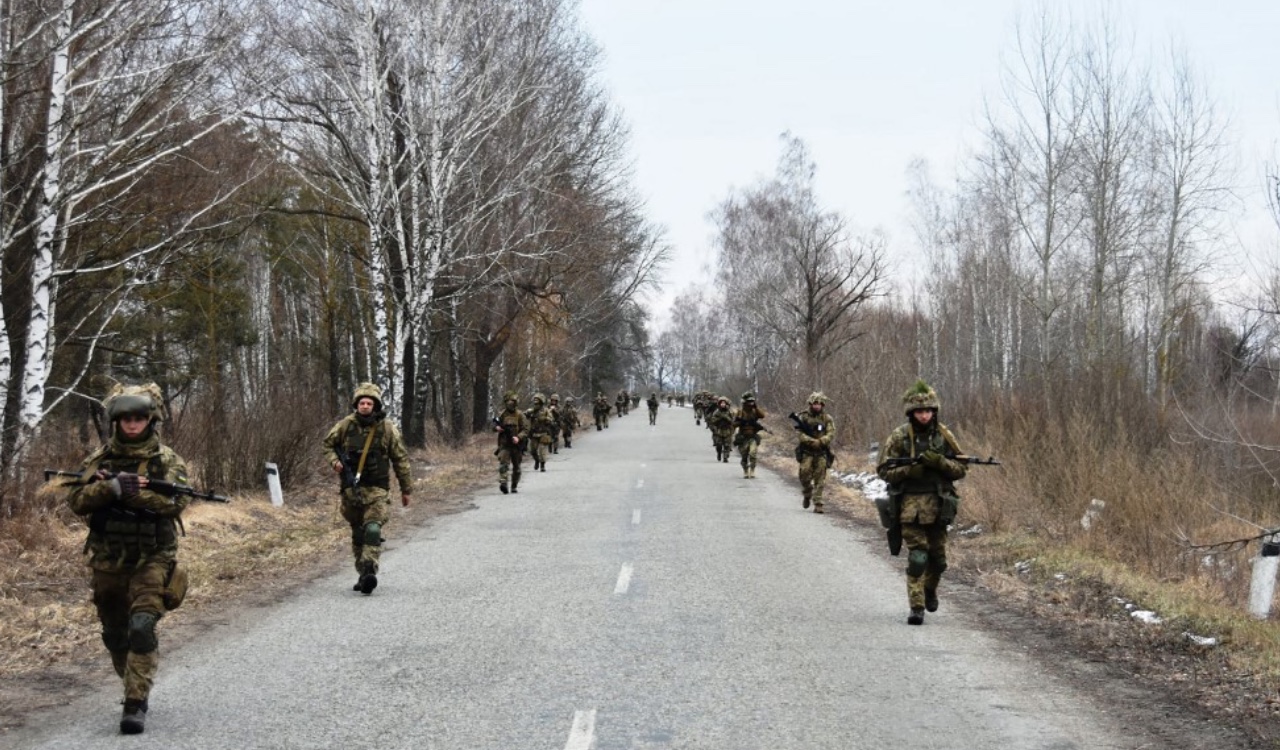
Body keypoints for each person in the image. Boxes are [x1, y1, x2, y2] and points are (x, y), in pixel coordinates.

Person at [65, 383, 190, 734]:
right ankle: (132, 681)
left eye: (138, 419)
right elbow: (76, 502)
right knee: (115, 633)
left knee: (142, 627)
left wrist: (138, 496)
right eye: (126, 420)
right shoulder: (99, 461)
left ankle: (136, 702)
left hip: (153, 556)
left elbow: (176, 504)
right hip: (107, 559)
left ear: (149, 421)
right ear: (116, 422)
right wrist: (112, 488)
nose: (132, 425)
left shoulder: (166, 460)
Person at [876, 380, 967, 626]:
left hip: (939, 506)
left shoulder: (944, 435)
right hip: (909, 507)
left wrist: (940, 463)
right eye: (919, 411)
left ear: (934, 411)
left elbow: (961, 468)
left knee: (938, 561)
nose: (924, 415)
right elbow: (884, 470)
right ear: (911, 413)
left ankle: (929, 590)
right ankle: (916, 607)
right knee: (918, 558)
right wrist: (909, 471)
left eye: (928, 411)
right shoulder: (899, 436)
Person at [322, 383, 413, 596]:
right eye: (361, 403)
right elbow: (327, 445)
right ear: (356, 404)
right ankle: (363, 575)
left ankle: (370, 568)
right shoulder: (345, 426)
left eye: (369, 403)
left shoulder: (387, 428)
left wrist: (406, 489)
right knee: (358, 533)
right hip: (351, 491)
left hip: (377, 489)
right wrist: (335, 461)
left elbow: (400, 459)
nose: (364, 406)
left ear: (375, 405)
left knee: (372, 529)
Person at [794, 392, 836, 513]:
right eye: (815, 403)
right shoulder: (804, 417)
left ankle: (818, 503)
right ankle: (807, 493)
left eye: (819, 404)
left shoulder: (827, 418)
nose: (817, 406)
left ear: (823, 405)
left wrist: (822, 441)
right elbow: (799, 433)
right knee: (804, 474)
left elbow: (831, 433)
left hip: (821, 451)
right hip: (807, 451)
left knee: (820, 477)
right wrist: (811, 441)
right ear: (811, 404)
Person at [493, 390, 528, 493]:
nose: (511, 404)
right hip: (505, 445)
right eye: (509, 402)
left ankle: (514, 486)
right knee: (503, 464)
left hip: (516, 446)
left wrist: (518, 437)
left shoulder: (520, 415)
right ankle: (503, 483)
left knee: (517, 468)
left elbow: (525, 430)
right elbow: (493, 426)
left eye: (512, 402)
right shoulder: (502, 414)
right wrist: (497, 428)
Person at [733, 392, 768, 478]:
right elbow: (733, 424)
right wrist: (741, 422)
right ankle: (745, 470)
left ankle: (752, 470)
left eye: (752, 401)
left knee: (753, 453)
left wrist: (756, 408)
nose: (751, 403)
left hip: (753, 436)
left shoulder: (754, 411)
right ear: (745, 402)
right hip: (743, 436)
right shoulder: (740, 412)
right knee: (744, 455)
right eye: (749, 401)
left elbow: (762, 415)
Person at [526, 393, 555, 472]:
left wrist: (545, 419)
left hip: (543, 433)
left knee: (542, 451)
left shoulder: (546, 410)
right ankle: (536, 460)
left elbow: (551, 419)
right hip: (534, 434)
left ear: (541, 401)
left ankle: (542, 465)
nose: (536, 402)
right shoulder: (532, 410)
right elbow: (526, 416)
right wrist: (528, 413)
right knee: (532, 450)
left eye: (537, 400)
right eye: (535, 400)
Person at [706, 395, 736, 462]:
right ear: (719, 404)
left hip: (727, 430)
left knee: (727, 445)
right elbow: (713, 420)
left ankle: (725, 457)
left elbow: (733, 421)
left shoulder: (730, 412)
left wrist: (726, 417)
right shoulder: (717, 411)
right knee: (719, 445)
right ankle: (719, 453)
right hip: (719, 430)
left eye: (724, 403)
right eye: (721, 403)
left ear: (726, 404)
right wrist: (719, 418)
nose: (723, 404)